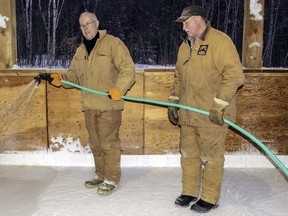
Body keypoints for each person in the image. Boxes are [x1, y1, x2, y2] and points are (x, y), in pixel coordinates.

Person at [44, 11, 135, 195]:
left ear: (97, 23)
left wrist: (120, 88)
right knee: (95, 143)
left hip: (109, 105)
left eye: (89, 23)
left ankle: (111, 179)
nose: (86, 28)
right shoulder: (80, 51)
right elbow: (75, 76)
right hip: (89, 105)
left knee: (109, 144)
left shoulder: (113, 44)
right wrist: (60, 79)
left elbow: (128, 69)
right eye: (82, 25)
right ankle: (100, 175)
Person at [168, 5, 245, 213]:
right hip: (188, 113)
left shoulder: (220, 42)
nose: (184, 27)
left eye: (187, 22)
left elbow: (235, 76)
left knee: (212, 158)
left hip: (211, 114)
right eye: (183, 23)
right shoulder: (184, 46)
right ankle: (189, 191)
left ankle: (210, 197)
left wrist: (220, 103)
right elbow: (178, 77)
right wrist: (174, 101)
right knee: (188, 154)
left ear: (199, 19)